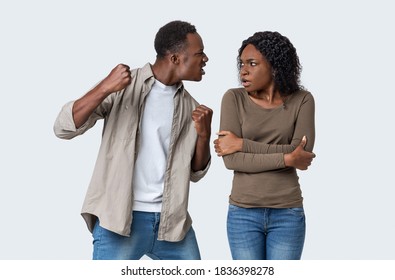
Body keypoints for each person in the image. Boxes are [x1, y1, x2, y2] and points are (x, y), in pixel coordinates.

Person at [54, 20, 212, 260]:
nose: (206, 59)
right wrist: (105, 87)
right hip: (119, 221)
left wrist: (204, 135)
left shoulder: (192, 107)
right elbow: (63, 128)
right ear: (175, 58)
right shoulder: (123, 86)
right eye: (199, 53)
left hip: (173, 224)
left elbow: (196, 173)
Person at [213, 31, 315, 260]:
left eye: (252, 63)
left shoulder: (303, 100)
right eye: (241, 64)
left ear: (275, 67)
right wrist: (287, 158)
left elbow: (303, 155)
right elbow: (232, 160)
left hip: (287, 213)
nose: (243, 71)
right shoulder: (233, 98)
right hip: (243, 214)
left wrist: (241, 144)